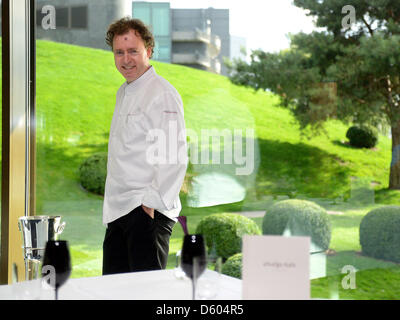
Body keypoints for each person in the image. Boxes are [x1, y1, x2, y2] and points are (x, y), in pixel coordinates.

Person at [102, 17, 188, 275]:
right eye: (119, 52)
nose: (125, 59)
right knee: (114, 293)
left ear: (148, 52)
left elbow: (174, 156)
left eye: (133, 51)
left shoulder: (162, 93)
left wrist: (149, 205)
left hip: (146, 212)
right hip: (118, 212)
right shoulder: (123, 91)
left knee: (146, 293)